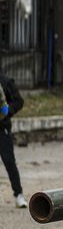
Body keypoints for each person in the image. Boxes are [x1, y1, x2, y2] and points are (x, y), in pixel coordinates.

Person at [0, 72, 25, 208]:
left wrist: (7, 111)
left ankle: (19, 194)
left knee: (9, 161)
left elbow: (18, 101)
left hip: (2, 128)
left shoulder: (6, 81)